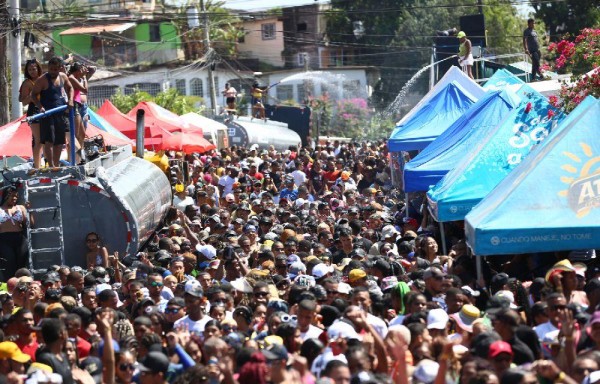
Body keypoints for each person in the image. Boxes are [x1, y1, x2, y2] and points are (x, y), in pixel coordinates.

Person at [31, 56, 74, 167]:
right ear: (48, 68)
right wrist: (40, 106)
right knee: (49, 141)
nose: (53, 71)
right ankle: (51, 165)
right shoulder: (42, 80)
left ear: (60, 68)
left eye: (55, 69)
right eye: (51, 69)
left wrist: (70, 100)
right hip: (47, 114)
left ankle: (56, 164)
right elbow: (33, 95)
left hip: (60, 113)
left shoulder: (63, 77)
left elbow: (70, 88)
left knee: (59, 141)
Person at [0, 185, 31, 281]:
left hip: (19, 238)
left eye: (16, 196)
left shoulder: (20, 207)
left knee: (22, 264)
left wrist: (29, 211)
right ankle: (10, 287)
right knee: (8, 264)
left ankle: (24, 284)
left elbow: (30, 224)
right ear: (6, 196)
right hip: (4, 239)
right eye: (12, 195)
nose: (15, 198)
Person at [19, 59, 43, 168]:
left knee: (45, 139)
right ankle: (37, 165)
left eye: (34, 69)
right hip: (34, 111)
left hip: (45, 109)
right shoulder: (27, 83)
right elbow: (23, 101)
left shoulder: (43, 79)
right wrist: (33, 96)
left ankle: (43, 162)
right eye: (30, 70)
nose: (32, 71)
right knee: (38, 139)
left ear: (38, 68)